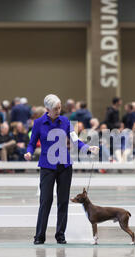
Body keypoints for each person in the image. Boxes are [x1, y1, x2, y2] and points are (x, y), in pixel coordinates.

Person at [24, 94, 99, 245]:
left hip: (65, 166)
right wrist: (29, 152)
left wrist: (88, 148)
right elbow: (32, 143)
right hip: (47, 166)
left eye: (59, 107)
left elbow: (75, 140)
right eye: (55, 108)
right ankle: (39, 236)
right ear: (47, 109)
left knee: (63, 201)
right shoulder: (38, 123)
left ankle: (60, 235)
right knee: (45, 201)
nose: (59, 110)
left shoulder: (65, 121)